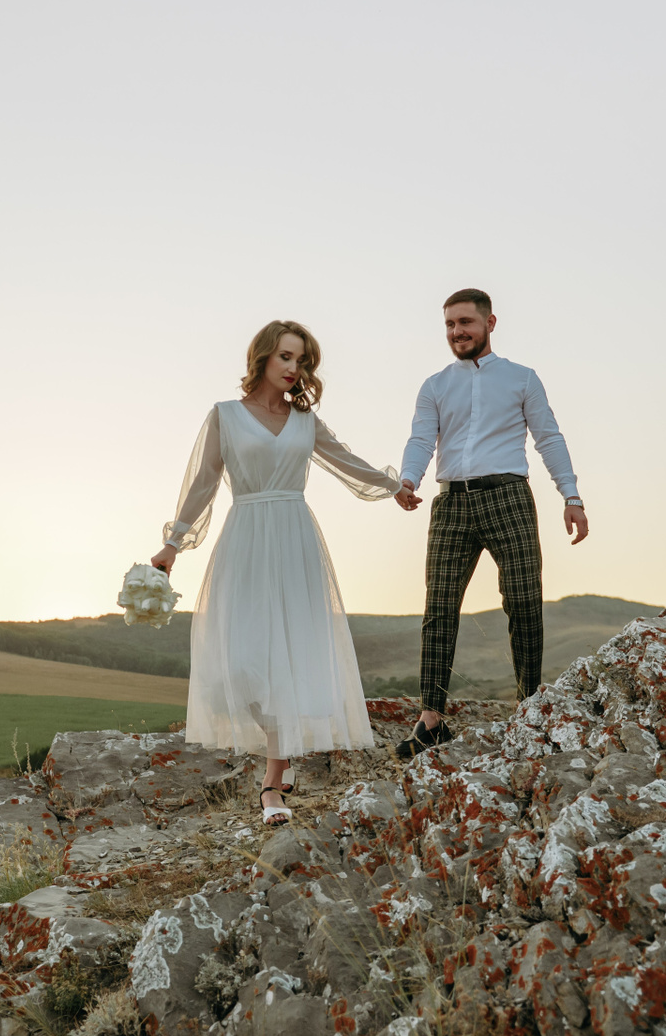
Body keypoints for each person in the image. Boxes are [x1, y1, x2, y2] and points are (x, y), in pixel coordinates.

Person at [151, 320, 412, 826]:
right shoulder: (226, 415)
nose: (294, 369)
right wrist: (173, 543)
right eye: (286, 357)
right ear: (264, 357)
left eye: (302, 361)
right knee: (238, 663)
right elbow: (204, 482)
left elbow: (345, 460)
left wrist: (392, 487)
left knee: (288, 657)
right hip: (246, 538)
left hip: (294, 539)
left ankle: (273, 780)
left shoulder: (305, 421)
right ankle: (280, 755)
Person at [390, 288, 588, 760]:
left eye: (465, 322)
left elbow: (549, 437)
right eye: (449, 325)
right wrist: (408, 479)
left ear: (490, 323)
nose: (457, 332)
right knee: (439, 608)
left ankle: (528, 709)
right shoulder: (435, 385)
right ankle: (431, 720)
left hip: (508, 497)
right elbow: (421, 438)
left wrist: (571, 496)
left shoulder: (522, 378)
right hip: (451, 504)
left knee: (524, 602)